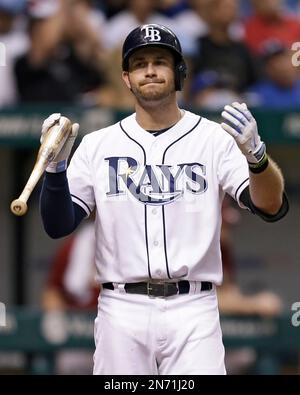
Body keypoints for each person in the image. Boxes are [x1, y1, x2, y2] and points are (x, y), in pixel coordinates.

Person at [40, 24, 289, 375]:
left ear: (179, 72)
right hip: (121, 307)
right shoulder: (98, 145)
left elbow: (271, 205)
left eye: (161, 61)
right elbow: (57, 225)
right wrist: (55, 170)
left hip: (194, 307)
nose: (151, 70)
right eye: (140, 64)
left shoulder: (213, 139)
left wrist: (258, 158)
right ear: (127, 78)